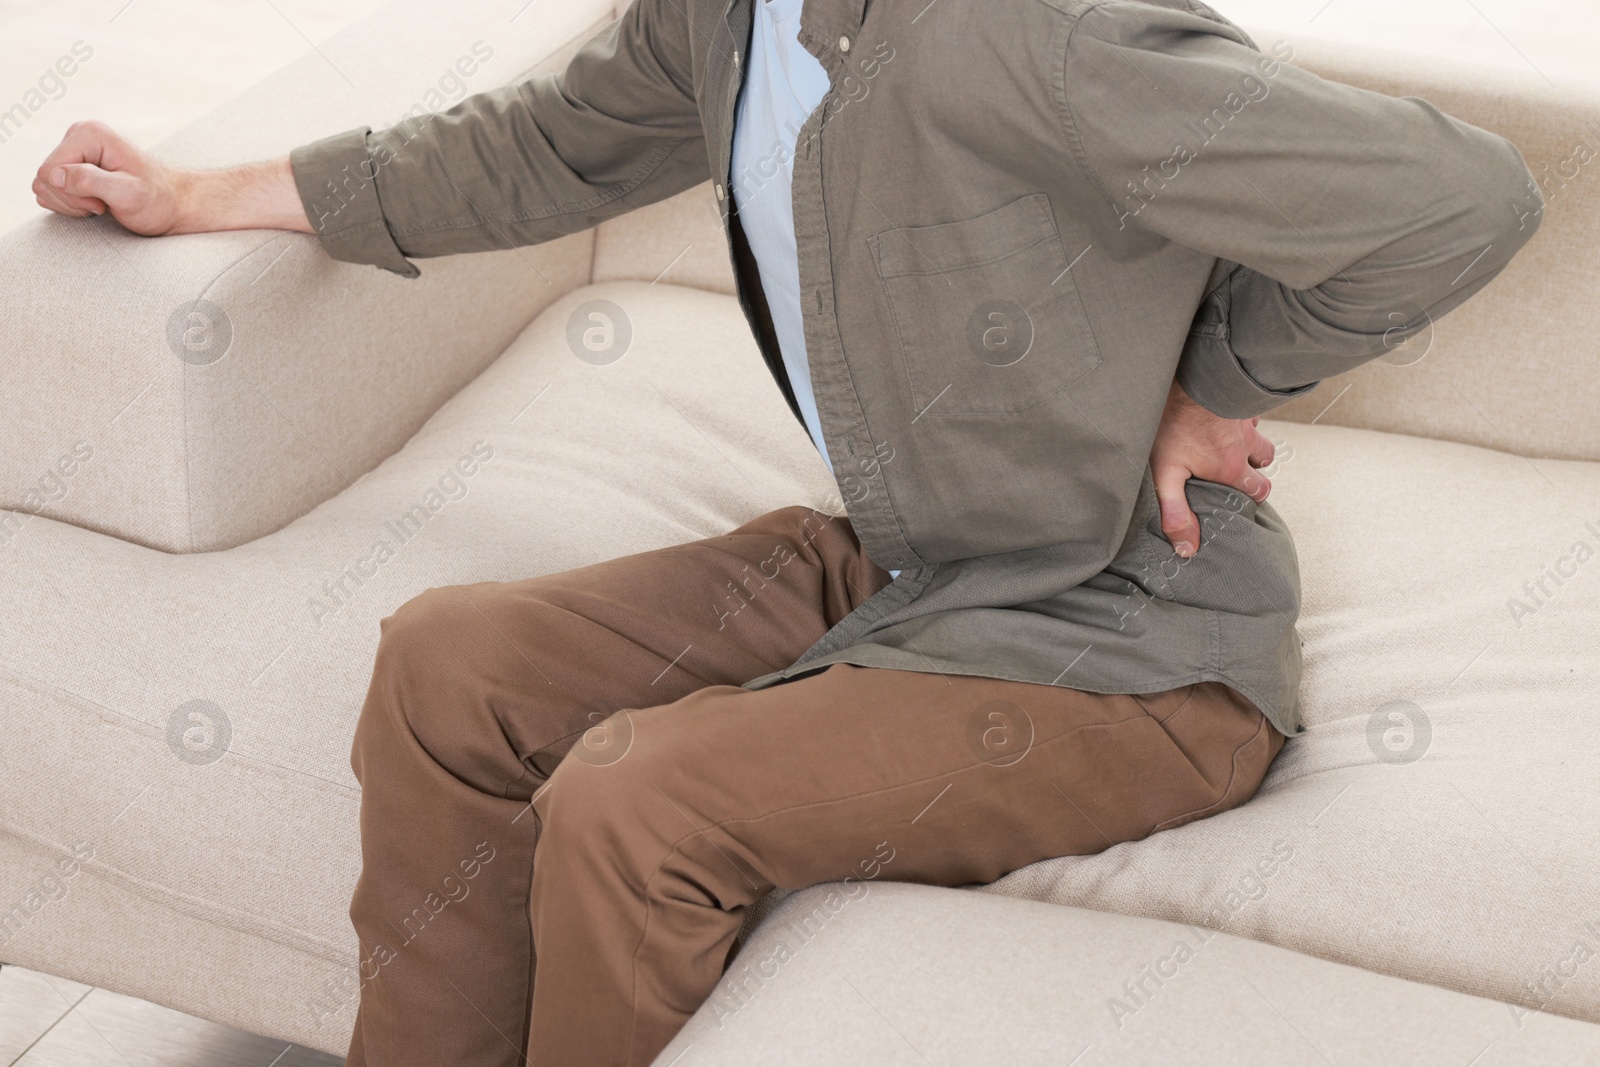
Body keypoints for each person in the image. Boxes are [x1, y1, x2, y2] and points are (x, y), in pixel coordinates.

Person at [32, 0, 1540, 1063]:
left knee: (640, 800)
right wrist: (198, 192)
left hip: (1132, 635)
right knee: (447, 665)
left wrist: (1214, 384)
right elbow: (543, 149)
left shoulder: (1031, 32)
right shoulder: (726, 15)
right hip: (908, 556)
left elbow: (1458, 197)